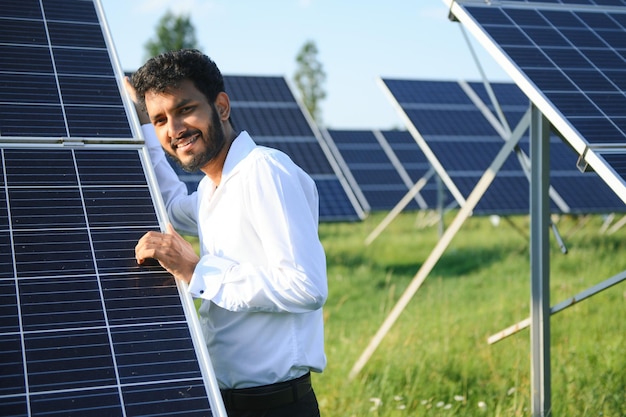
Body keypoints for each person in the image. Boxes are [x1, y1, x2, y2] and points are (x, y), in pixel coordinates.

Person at [127, 49, 327, 417]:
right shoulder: (211, 188)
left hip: (276, 405)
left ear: (221, 106)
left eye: (185, 109)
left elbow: (306, 287)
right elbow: (171, 207)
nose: (174, 130)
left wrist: (196, 271)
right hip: (224, 402)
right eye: (160, 120)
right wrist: (141, 127)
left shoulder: (264, 172)